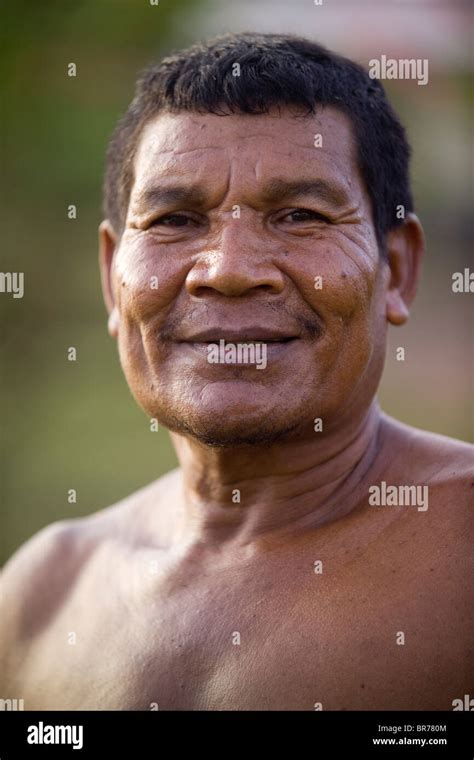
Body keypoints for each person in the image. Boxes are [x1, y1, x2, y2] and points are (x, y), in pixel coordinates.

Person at [1, 33, 472, 711]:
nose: (228, 270)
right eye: (175, 219)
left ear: (396, 269)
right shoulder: (44, 597)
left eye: (300, 216)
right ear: (113, 280)